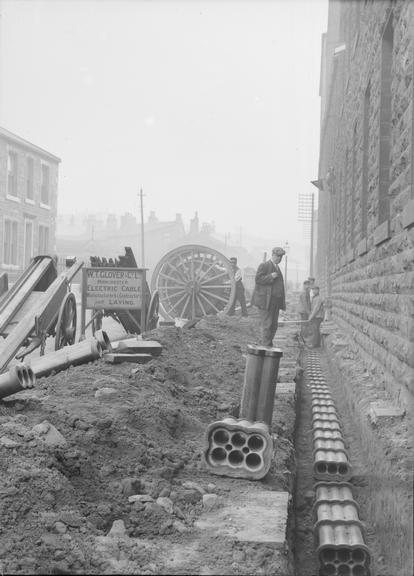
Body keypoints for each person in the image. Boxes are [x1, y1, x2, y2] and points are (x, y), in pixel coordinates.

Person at [252, 247, 286, 347]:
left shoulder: (278, 268)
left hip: (275, 302)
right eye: (278, 256)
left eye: (281, 257)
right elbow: (258, 279)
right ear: (273, 255)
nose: (279, 259)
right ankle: (265, 346)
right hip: (266, 301)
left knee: (274, 326)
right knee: (267, 325)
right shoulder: (264, 265)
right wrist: (270, 276)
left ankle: (268, 344)